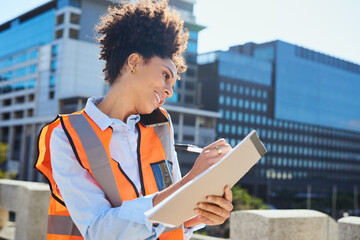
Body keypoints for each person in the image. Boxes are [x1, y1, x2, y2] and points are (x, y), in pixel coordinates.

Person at [35, 1, 233, 239]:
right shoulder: (66, 135)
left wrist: (200, 214)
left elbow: (169, 210)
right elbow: (98, 229)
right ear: (134, 62)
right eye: (165, 75)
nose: (169, 91)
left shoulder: (160, 126)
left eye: (173, 84)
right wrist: (191, 182)